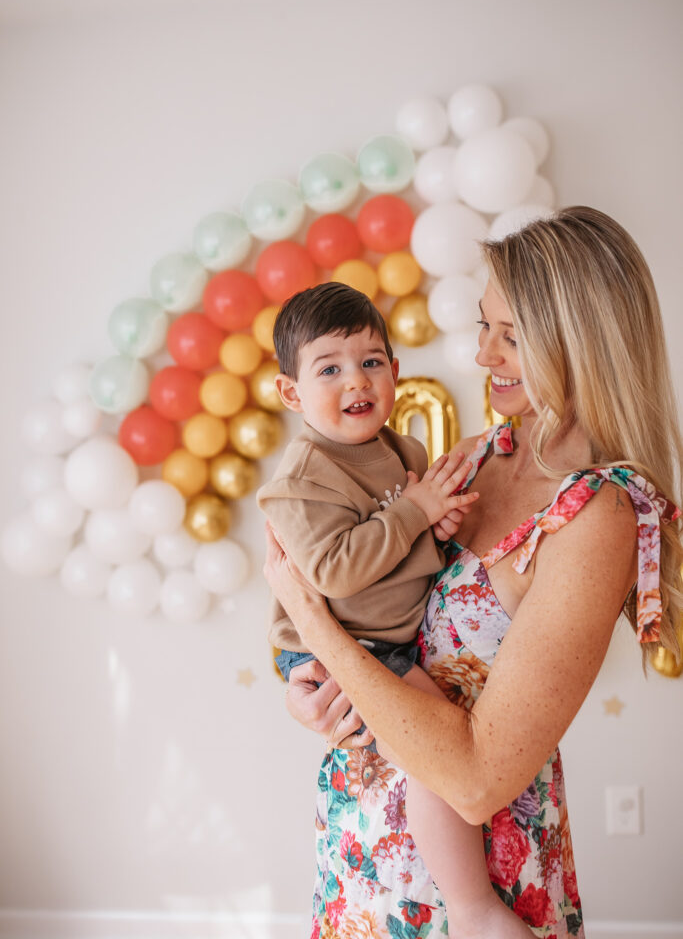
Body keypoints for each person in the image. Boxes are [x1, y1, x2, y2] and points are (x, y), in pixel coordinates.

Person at [263, 206, 683, 939]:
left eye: (510, 337)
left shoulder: (595, 512)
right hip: (366, 850)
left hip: (474, 888)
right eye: (483, 328)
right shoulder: (479, 455)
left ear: (579, 344)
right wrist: (314, 695)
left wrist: (315, 627)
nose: (483, 357)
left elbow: (476, 779)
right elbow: (377, 614)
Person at [257, 281, 533, 937]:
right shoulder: (300, 484)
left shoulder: (405, 453)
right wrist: (414, 514)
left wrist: (435, 529)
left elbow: (402, 548)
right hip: (347, 644)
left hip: (385, 634)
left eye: (371, 361)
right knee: (440, 758)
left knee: (436, 752)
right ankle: (472, 912)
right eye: (329, 368)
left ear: (395, 373)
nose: (355, 380)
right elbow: (333, 571)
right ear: (291, 394)